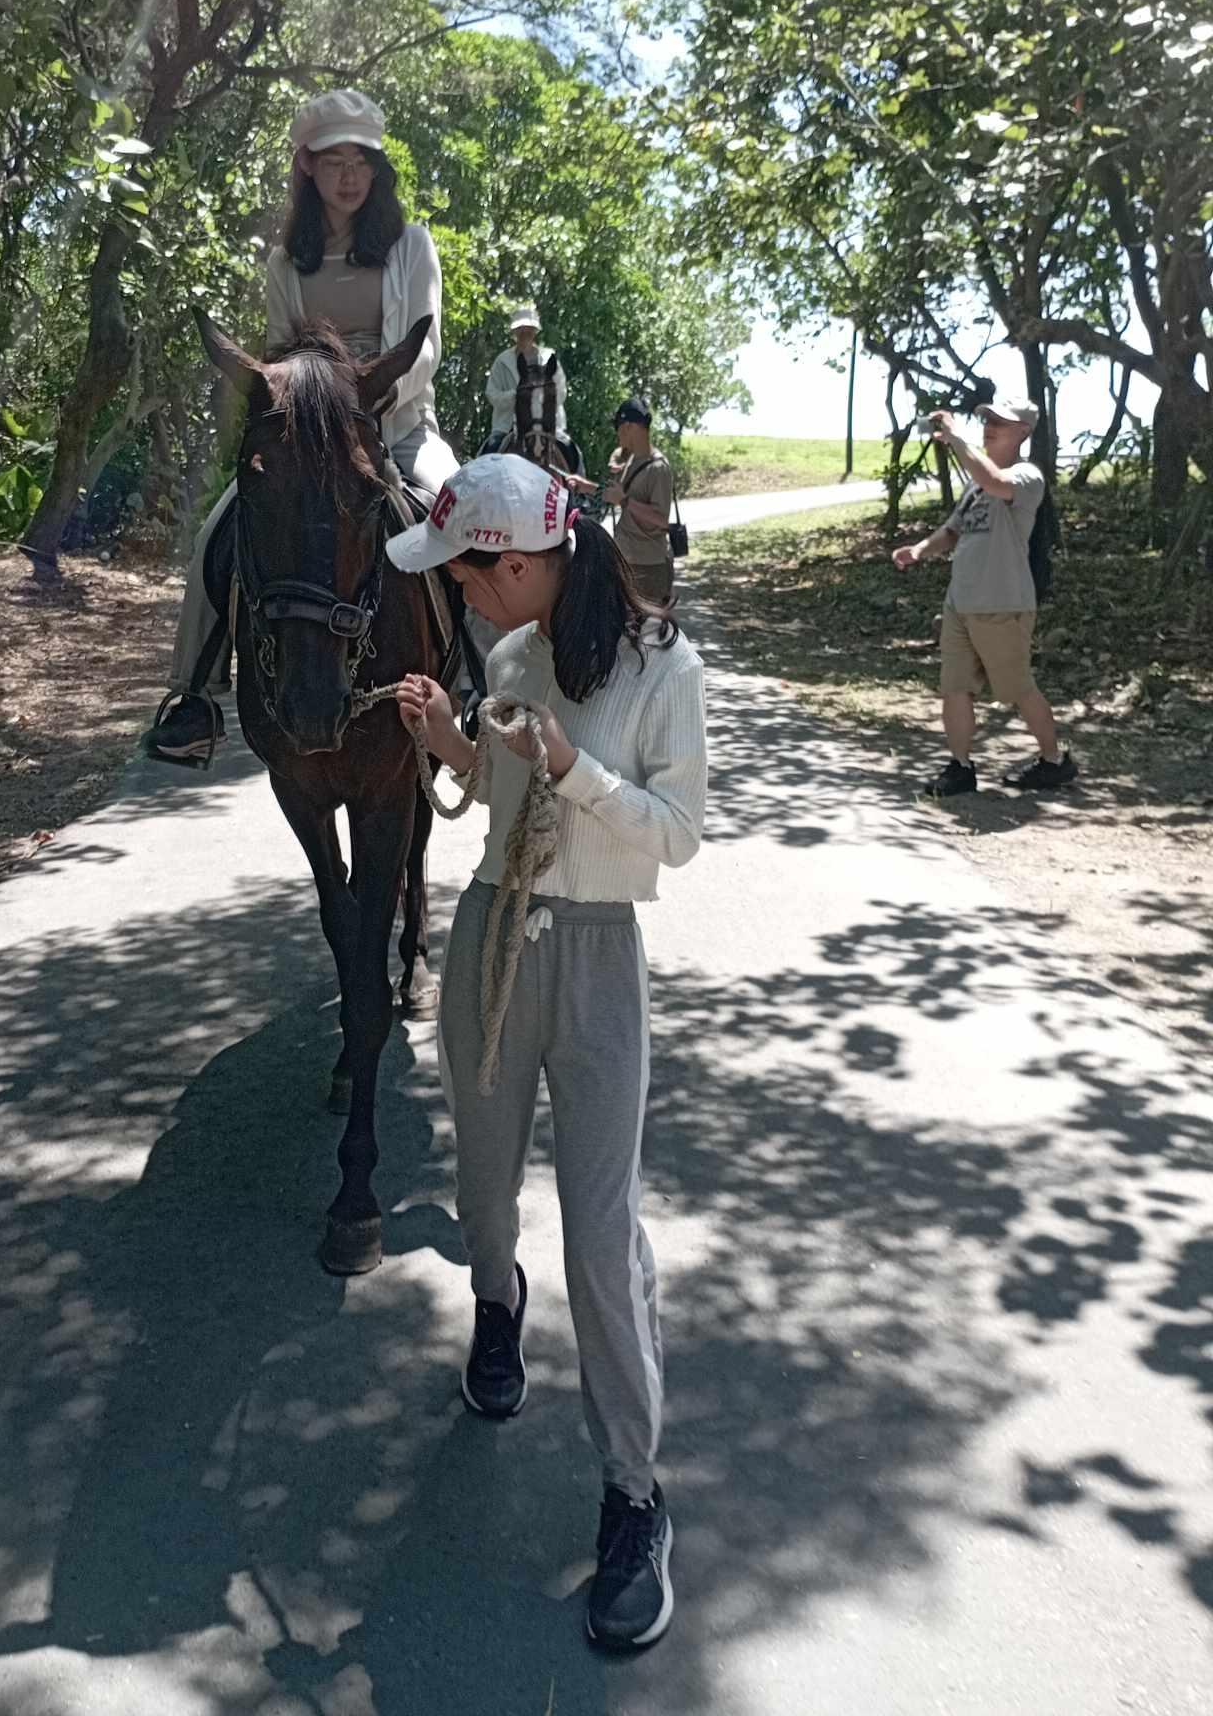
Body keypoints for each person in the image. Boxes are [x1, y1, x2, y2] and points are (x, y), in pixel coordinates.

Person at [385, 452, 707, 1651]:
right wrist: (450, 743)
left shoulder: (664, 665)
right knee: (480, 1181)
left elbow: (675, 835)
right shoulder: (509, 656)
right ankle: (493, 1299)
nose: (458, 599)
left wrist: (577, 770)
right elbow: (498, 788)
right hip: (488, 939)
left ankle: (634, 1494)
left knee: (600, 1224)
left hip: (596, 957)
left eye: (466, 577)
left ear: (518, 564)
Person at [145, 89, 459, 766]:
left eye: (362, 162)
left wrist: (366, 397)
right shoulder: (287, 263)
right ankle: (192, 697)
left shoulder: (412, 246)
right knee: (213, 537)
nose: (349, 176)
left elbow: (425, 346)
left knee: (468, 515)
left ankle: (490, 681)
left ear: (378, 172)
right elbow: (281, 356)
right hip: (308, 436)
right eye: (333, 161)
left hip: (398, 427)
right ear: (307, 169)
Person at [892, 396, 1077, 797]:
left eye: (1001, 421)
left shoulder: (1028, 476)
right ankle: (960, 768)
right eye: (988, 419)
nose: (990, 425)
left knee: (1017, 689)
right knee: (955, 687)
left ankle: (1055, 762)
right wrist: (921, 549)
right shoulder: (975, 485)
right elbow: (953, 529)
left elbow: (997, 482)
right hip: (961, 601)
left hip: (1002, 603)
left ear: (1024, 432)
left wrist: (957, 439)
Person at [602, 398, 674, 609]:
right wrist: (585, 486)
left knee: (648, 638)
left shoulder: (658, 468)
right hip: (626, 562)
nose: (618, 436)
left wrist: (624, 501)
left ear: (629, 427)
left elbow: (661, 520)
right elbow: (616, 494)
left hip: (648, 569)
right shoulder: (631, 461)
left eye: (619, 429)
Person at [483, 304, 571, 456]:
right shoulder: (501, 361)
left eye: (528, 328)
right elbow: (491, 393)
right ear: (514, 331)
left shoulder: (549, 358)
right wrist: (515, 397)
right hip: (507, 426)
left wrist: (537, 401)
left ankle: (577, 478)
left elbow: (561, 392)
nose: (525, 332)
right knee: (489, 451)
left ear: (535, 331)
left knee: (571, 451)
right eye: (521, 328)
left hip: (548, 426)